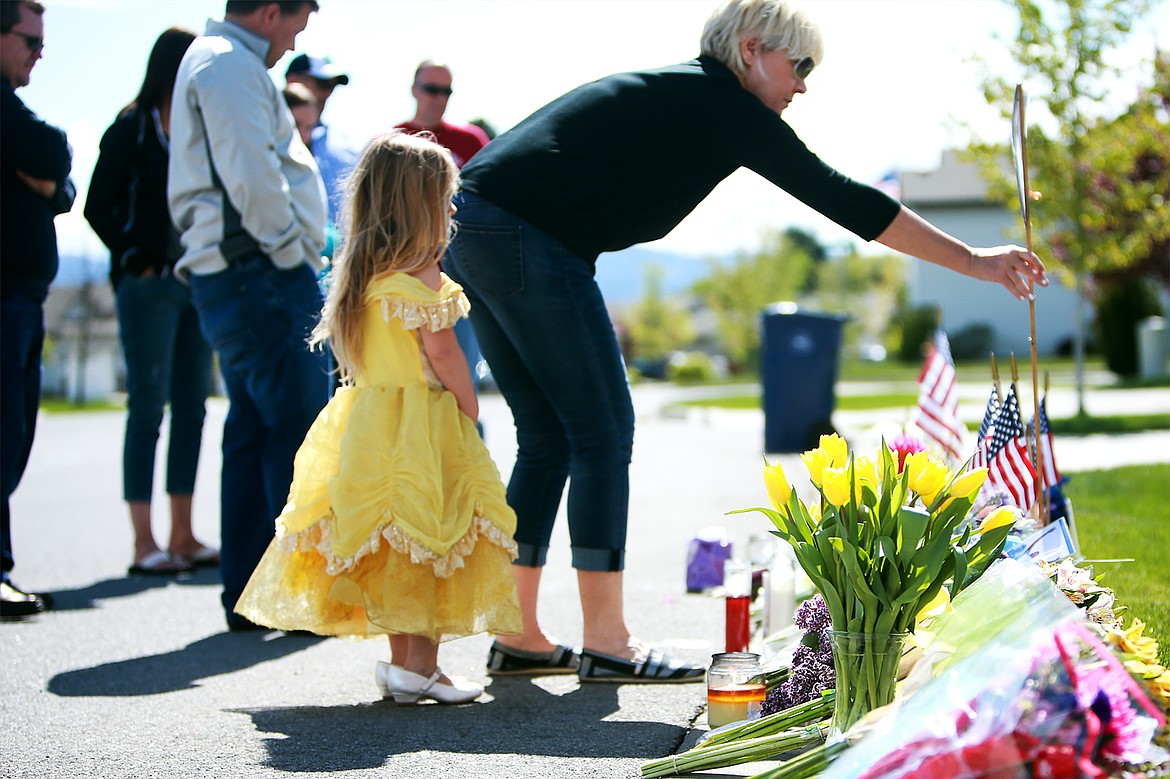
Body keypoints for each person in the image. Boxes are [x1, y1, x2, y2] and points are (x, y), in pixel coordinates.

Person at [445, 0, 1048, 682]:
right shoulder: (723, 102)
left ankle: (519, 632)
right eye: (800, 65)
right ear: (754, 49)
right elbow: (841, 197)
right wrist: (976, 261)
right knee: (602, 430)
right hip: (522, 226)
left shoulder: (690, 95)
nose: (803, 84)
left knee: (551, 434)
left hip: (473, 222)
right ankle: (609, 641)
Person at [235, 131, 522, 703]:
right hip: (423, 424)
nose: (450, 210)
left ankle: (401, 665)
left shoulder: (358, 280)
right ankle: (423, 668)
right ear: (421, 207)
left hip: (367, 423)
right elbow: (444, 355)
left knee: (391, 541)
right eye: (445, 199)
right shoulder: (424, 280)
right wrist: (468, 407)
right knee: (432, 535)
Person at [168, 0, 329, 631]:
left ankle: (251, 593)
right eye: (295, 23)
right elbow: (253, 177)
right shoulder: (230, 63)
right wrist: (291, 251)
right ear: (267, 11)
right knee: (293, 431)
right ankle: (287, 596)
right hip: (257, 270)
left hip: (240, 272)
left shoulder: (220, 60)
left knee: (256, 430)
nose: (294, 40)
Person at [84, 27, 218, 577]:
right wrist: (134, 255)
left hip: (195, 283)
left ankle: (182, 534)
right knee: (147, 407)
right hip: (146, 287)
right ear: (173, 66)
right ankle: (144, 543)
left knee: (192, 406)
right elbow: (97, 206)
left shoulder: (198, 128)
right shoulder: (130, 128)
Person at [1, 0, 74, 620]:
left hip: (24, 296)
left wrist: (48, 178)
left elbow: (63, 185)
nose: (39, 51)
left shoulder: (11, 108)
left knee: (12, 433)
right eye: (29, 39)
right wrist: (47, 171)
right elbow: (52, 152)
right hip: (3, 298)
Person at [395, 60, 491, 403]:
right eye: (431, 89)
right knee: (411, 379)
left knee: (457, 374)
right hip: (404, 277)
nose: (438, 98)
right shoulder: (394, 142)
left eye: (446, 91)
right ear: (414, 89)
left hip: (460, 274)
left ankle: (465, 445)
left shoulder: (470, 141)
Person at [285, 52, 356, 231]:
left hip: (338, 254)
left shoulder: (344, 145)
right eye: (322, 83)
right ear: (293, 80)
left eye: (331, 86)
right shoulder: (262, 137)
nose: (326, 93)